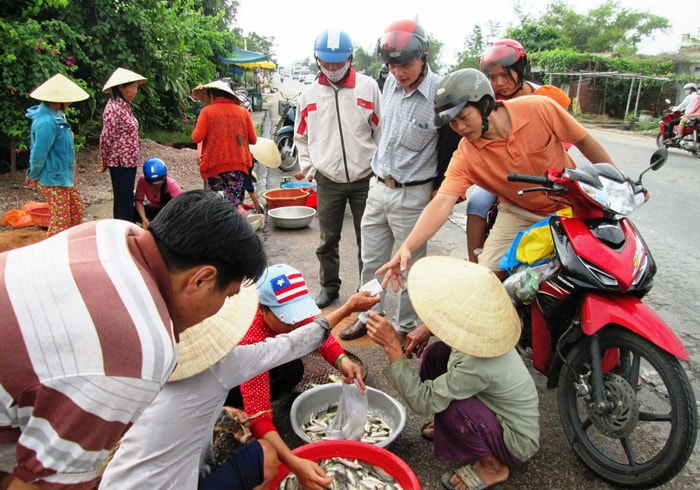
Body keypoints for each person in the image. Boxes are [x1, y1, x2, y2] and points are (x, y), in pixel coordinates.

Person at [0, 189, 267, 489]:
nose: (222, 308)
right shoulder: (138, 351)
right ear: (201, 279)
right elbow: (42, 483)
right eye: (228, 295)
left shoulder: (113, 232)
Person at [376, 68, 613, 356]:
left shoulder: (540, 108)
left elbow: (585, 141)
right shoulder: (466, 154)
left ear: (485, 104)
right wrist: (407, 248)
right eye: (453, 123)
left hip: (571, 206)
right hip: (518, 210)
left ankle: (614, 347)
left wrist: (616, 181)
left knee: (602, 274)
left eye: (464, 117)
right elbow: (442, 202)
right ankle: (487, 348)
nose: (460, 128)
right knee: (484, 279)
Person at [98, 281, 379, 489]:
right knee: (268, 456)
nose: (293, 321)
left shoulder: (154, 366)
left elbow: (304, 328)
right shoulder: (228, 363)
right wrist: (295, 463)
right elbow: (293, 347)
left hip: (123, 480)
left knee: (288, 368)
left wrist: (222, 414)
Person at [366, 257, 539, 490]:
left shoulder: (478, 364)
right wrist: (428, 328)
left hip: (514, 442)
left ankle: (493, 467)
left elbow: (422, 401)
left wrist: (392, 348)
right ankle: (450, 428)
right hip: (492, 404)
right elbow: (454, 321)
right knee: (436, 353)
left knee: (449, 406)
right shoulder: (481, 329)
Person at [223, 263, 377, 488]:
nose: (294, 322)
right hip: (230, 379)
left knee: (293, 370)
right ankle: (234, 403)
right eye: (287, 317)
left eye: (297, 313)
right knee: (255, 409)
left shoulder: (287, 316)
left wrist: (341, 359)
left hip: (266, 357)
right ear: (261, 308)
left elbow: (313, 330)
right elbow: (259, 418)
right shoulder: (250, 342)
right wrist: (293, 461)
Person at [338, 19, 442, 342]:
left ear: (423, 55)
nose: (399, 72)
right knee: (371, 259)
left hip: (413, 195)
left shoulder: (440, 94)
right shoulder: (390, 84)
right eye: (393, 65)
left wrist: (440, 191)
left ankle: (404, 327)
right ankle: (369, 315)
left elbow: (452, 145)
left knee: (411, 267)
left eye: (406, 64)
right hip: (378, 186)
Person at [293, 28, 381, 309]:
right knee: (327, 240)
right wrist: (311, 170)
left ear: (350, 59)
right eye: (327, 63)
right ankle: (329, 287)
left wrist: (378, 169)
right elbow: (300, 138)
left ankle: (365, 292)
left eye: (339, 63)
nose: (332, 68)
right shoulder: (308, 96)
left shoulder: (368, 88)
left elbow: (381, 130)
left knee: (368, 240)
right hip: (328, 179)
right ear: (317, 59)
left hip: (365, 178)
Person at [466, 39, 572, 263]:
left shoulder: (548, 98)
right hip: (506, 174)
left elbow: (570, 139)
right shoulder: (489, 102)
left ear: (521, 69)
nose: (500, 83)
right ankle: (474, 262)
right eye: (493, 78)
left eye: (506, 75)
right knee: (477, 202)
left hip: (548, 172)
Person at [24, 73, 89, 236]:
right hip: (53, 178)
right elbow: (39, 153)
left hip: (64, 176)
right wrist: (33, 174)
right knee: (60, 222)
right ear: (57, 100)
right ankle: (51, 254)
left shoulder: (59, 116)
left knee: (76, 212)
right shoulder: (46, 121)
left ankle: (71, 246)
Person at [191, 80, 257, 208]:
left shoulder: (206, 112)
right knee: (232, 207)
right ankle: (235, 226)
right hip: (237, 166)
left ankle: (215, 226)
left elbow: (196, 137)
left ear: (211, 95)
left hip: (213, 166)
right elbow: (253, 140)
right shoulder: (243, 112)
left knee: (211, 206)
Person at [99, 67, 148, 221]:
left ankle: (126, 226)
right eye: (132, 87)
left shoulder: (124, 105)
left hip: (128, 161)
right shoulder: (114, 107)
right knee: (123, 198)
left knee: (126, 197)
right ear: (121, 87)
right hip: (120, 161)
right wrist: (104, 160)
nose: (134, 92)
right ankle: (122, 229)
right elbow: (106, 136)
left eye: (136, 88)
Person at [133, 156, 183, 229]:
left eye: (159, 182)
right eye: (152, 183)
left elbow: (181, 203)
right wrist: (143, 218)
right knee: (131, 212)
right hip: (154, 209)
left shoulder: (171, 184)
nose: (156, 185)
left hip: (168, 212)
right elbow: (138, 201)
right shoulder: (142, 180)